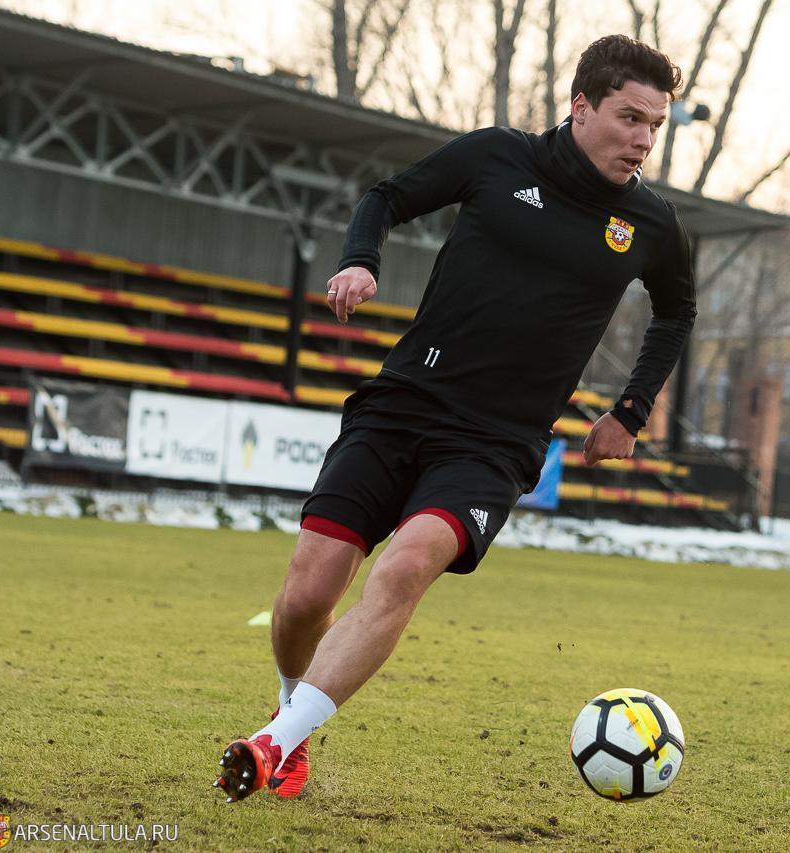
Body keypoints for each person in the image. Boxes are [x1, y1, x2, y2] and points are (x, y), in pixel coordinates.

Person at [213, 34, 696, 802]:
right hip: (402, 404)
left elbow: (676, 313)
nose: (643, 140)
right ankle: (288, 709)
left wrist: (630, 411)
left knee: (405, 567)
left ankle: (272, 745)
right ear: (581, 107)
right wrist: (360, 258)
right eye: (629, 118)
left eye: (656, 125)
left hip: (495, 442)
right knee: (305, 598)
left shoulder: (651, 222)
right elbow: (385, 197)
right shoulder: (498, 156)